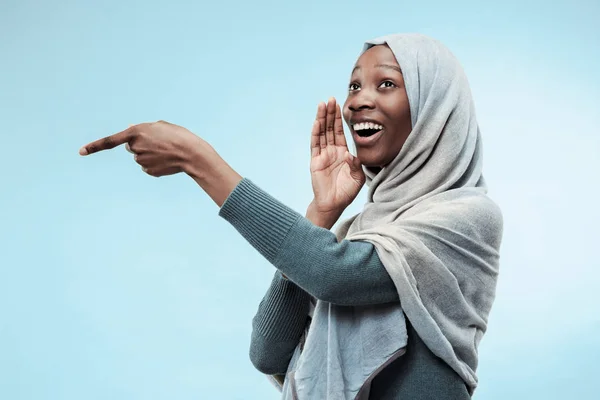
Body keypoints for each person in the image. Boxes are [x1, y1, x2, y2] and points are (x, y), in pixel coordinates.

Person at [79, 33, 503, 399]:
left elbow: (335, 276)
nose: (359, 101)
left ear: (435, 109)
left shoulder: (467, 214)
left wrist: (200, 161)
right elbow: (268, 351)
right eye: (354, 86)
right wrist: (321, 213)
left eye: (386, 83)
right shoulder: (360, 233)